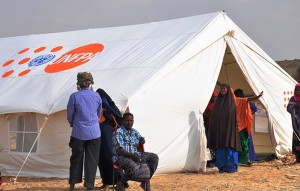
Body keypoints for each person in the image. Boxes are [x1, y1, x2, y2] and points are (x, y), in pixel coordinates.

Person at [67, 72, 102, 191]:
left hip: (79, 132)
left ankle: (72, 185)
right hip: (94, 133)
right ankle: (89, 186)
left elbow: (70, 115)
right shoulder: (97, 96)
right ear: (90, 83)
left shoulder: (74, 96)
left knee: (76, 158)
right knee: (92, 160)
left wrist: (74, 124)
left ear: (78, 84)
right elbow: (98, 114)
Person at [113, 113, 159, 191]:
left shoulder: (134, 131)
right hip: (121, 157)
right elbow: (119, 150)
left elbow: (141, 138)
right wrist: (132, 156)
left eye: (131, 120)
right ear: (123, 121)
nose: (129, 122)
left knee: (154, 158)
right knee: (136, 168)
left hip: (135, 154)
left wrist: (142, 140)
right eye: (127, 120)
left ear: (133, 121)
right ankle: (122, 183)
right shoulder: (118, 132)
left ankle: (144, 182)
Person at [207, 84, 241, 173]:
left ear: (228, 90)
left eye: (224, 88)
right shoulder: (218, 102)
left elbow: (231, 116)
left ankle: (230, 167)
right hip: (220, 131)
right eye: (221, 88)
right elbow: (214, 114)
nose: (223, 90)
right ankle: (222, 167)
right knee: (221, 149)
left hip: (229, 130)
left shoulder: (231, 103)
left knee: (229, 147)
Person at [96, 88, 125, 189]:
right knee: (101, 158)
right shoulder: (109, 104)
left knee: (110, 156)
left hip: (106, 133)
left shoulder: (107, 106)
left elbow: (118, 120)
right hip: (100, 133)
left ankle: (121, 181)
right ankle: (106, 181)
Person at [234, 89, 263, 166]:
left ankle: (240, 160)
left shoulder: (234, 102)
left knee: (238, 143)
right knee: (246, 143)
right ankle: (248, 159)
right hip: (245, 125)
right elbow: (255, 109)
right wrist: (248, 114)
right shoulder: (244, 101)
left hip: (236, 126)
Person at [203, 90, 218, 167]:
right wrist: (211, 113)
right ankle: (211, 160)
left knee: (217, 143)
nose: (215, 98)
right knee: (210, 144)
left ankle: (217, 160)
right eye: (213, 97)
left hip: (218, 126)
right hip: (209, 125)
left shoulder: (219, 104)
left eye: (215, 97)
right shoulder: (207, 104)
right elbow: (204, 116)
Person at [287, 83, 300, 162]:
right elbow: (288, 108)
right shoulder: (292, 99)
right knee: (297, 142)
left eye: (299, 90)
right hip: (295, 124)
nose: (298, 92)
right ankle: (298, 158)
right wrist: (294, 106)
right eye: (297, 90)